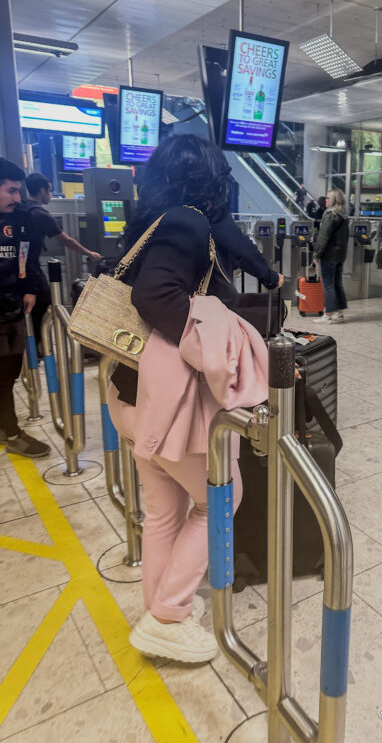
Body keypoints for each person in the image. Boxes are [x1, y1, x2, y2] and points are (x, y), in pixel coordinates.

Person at [106, 135, 283, 664]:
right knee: (221, 500)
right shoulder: (188, 221)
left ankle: (161, 610)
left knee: (165, 511)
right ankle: (167, 615)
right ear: (208, 177)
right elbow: (156, 295)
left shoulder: (151, 223)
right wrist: (212, 349)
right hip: (169, 404)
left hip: (132, 395)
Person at [0, 159, 51, 458]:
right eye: (11, 191)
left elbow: (27, 256)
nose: (17, 197)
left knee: (7, 373)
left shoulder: (20, 218)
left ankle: (8, 428)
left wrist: (30, 287)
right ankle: (11, 432)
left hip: (11, 307)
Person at [24, 173, 102, 346]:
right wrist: (89, 252)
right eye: (49, 191)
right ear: (42, 190)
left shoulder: (22, 209)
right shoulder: (40, 214)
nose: (50, 196)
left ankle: (33, 348)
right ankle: (36, 348)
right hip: (32, 267)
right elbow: (67, 240)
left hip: (20, 267)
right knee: (43, 302)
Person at [312, 188, 349, 324]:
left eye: (328, 198)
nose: (325, 200)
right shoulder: (344, 215)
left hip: (329, 255)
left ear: (334, 200)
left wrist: (316, 254)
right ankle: (339, 313)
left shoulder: (330, 215)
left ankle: (327, 314)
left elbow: (324, 237)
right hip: (340, 255)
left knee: (328, 285)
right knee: (337, 283)